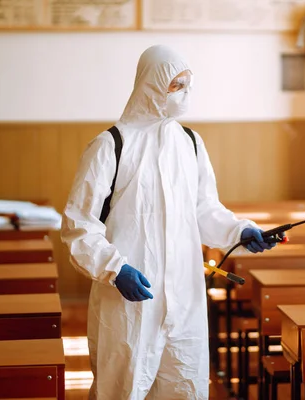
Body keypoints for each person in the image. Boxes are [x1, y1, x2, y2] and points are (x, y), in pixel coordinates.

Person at [61, 45, 279, 399]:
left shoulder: (190, 143)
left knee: (185, 386)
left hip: (185, 298)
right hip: (130, 300)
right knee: (121, 388)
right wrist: (116, 269)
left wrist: (240, 231)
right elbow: (79, 226)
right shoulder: (111, 145)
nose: (185, 94)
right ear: (152, 85)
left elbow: (204, 210)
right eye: (177, 85)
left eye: (188, 84)